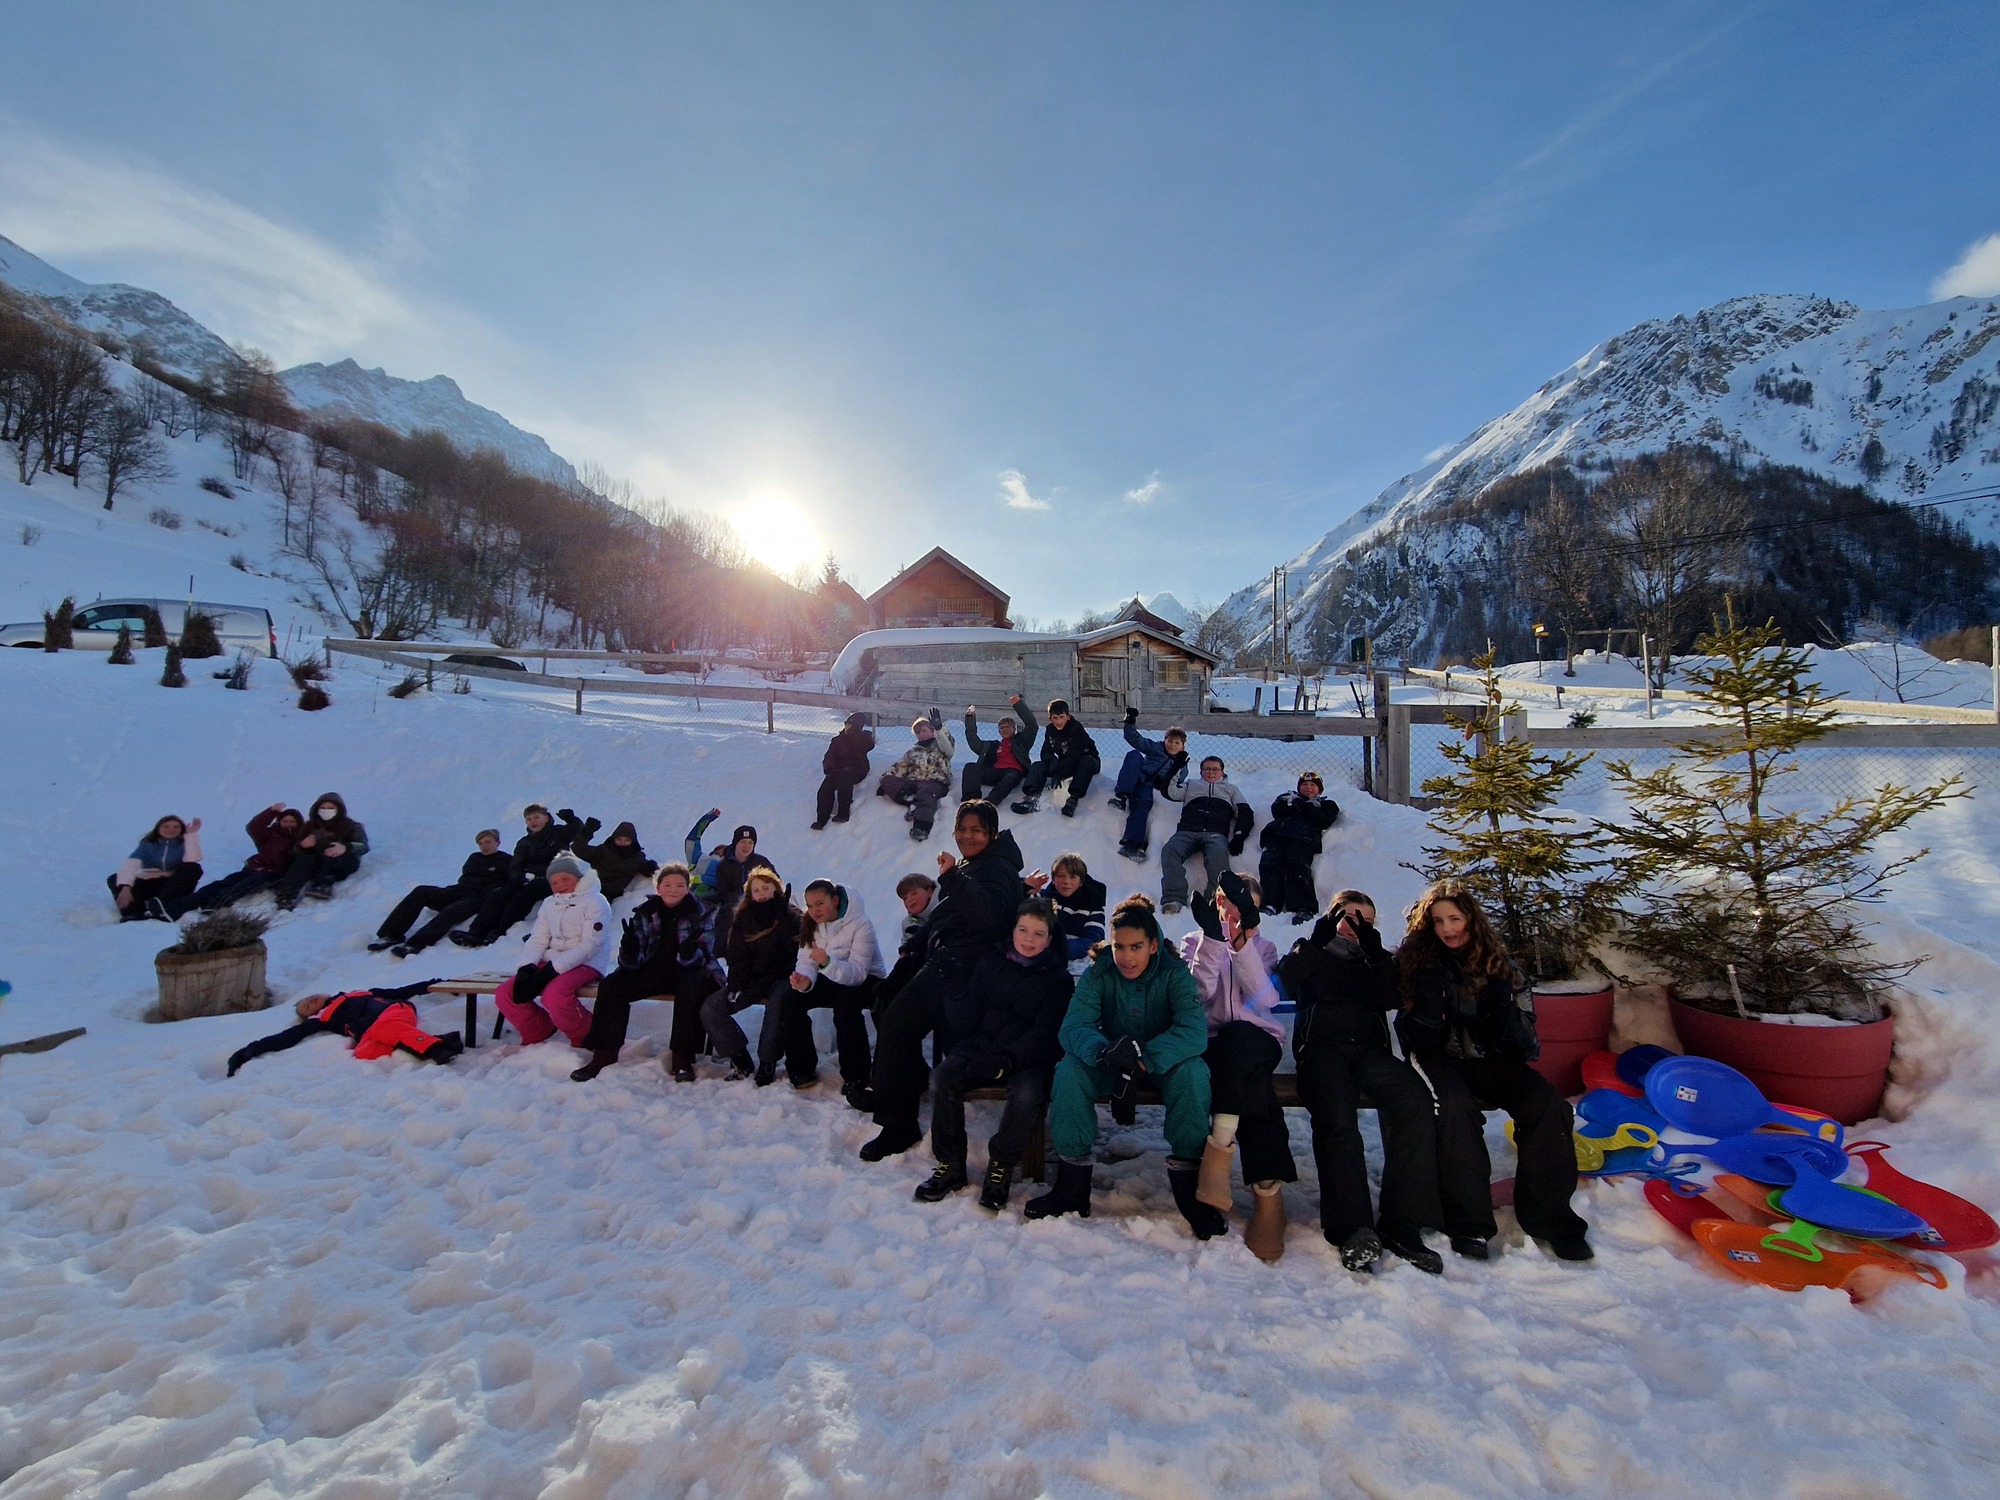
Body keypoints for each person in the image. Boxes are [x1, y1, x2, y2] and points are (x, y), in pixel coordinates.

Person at [1397, 880, 1592, 1263]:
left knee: (1547, 1105)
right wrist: (1428, 1011)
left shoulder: (1500, 966)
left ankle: (1553, 1221)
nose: (1447, 928)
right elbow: (1410, 1037)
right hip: (1439, 1058)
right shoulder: (1418, 963)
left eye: (1455, 918)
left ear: (1471, 919)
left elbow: (1527, 1045)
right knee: (1455, 1108)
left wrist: (1500, 1015)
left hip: (1491, 1058)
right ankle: (1468, 1223)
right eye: (1438, 921)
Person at [1026, 897, 1219, 1239]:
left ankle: (1191, 1191)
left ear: (1153, 945)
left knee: (1193, 1074)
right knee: (1069, 1072)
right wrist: (1104, 1053)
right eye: (1119, 947)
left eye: (1136, 947)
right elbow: (1073, 1026)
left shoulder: (1174, 973)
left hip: (1160, 1063)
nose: (1127, 957)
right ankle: (1071, 1187)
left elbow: (1192, 1032)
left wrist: (1143, 1061)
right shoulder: (1099, 972)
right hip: (1111, 1058)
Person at [1280, 888, 1446, 1275]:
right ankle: (1352, 1227)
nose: (1357, 928)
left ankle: (1403, 1220)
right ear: (1332, 917)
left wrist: (1376, 956)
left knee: (1414, 1101)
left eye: (1366, 922)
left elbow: (1391, 998)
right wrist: (1316, 943)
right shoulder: (1310, 949)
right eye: (1350, 918)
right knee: (1337, 1119)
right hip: (1321, 1051)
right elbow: (1285, 982)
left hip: (1369, 1052)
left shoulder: (1374, 959)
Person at [861, 800, 1026, 1161]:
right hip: (947, 961)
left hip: (964, 971)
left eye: (976, 830)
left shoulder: (997, 868)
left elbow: (989, 919)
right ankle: (896, 1093)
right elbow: (946, 916)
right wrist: (915, 945)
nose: (967, 836)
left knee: (897, 1025)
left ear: (991, 833)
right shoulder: (976, 864)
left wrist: (952, 878)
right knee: (889, 1010)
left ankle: (898, 1124)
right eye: (961, 829)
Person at [915, 898, 1073, 1211]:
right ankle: (950, 1164)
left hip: (1026, 1057)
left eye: (1038, 933)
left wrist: (1008, 1060)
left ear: (1049, 939)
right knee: (943, 1078)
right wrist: (955, 992)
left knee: (1027, 1093)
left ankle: (1001, 1166)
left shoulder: (1057, 979)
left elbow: (1046, 1033)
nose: (1029, 939)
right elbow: (966, 1021)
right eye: (1023, 930)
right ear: (1013, 930)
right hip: (981, 1045)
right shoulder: (991, 962)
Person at [1183, 873, 1296, 1262]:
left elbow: (1264, 999)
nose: (1234, 912)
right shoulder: (1193, 942)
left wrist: (1240, 944)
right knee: (1255, 1087)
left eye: (1245, 906)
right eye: (1228, 903)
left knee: (1242, 1039)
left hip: (1260, 1041)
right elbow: (1196, 996)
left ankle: (1218, 1152)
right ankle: (1268, 1197)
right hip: (1213, 1044)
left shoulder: (1264, 947)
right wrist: (1214, 942)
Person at [573, 862, 723, 1083]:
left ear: (687, 888)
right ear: (658, 887)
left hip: (693, 969)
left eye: (680, 885)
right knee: (612, 986)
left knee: (693, 988)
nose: (673, 890)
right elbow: (633, 961)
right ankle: (604, 1053)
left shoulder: (702, 912)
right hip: (654, 969)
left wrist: (689, 953)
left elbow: (706, 951)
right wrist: (630, 951)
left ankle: (682, 1057)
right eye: (667, 885)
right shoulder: (646, 912)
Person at [493, 852, 616, 1050]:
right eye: (554, 882)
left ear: (579, 878)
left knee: (554, 995)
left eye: (565, 878)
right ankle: (538, 1029)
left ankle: (588, 1034)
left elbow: (591, 945)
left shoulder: (595, 901)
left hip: (586, 962)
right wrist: (526, 967)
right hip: (552, 960)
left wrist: (552, 970)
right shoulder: (550, 903)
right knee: (506, 993)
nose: (560, 885)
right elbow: (538, 938)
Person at [781, 878, 886, 1093]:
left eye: (820, 903)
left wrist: (827, 963)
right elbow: (806, 960)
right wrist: (805, 980)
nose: (814, 910)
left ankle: (857, 1075)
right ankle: (802, 1069)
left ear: (835, 900)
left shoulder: (860, 924)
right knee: (791, 999)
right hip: (831, 973)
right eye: (810, 905)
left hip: (867, 978)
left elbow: (858, 973)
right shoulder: (811, 924)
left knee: (846, 1005)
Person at [226, 979, 462, 1074]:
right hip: (374, 1032)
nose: (310, 1001)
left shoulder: (360, 993)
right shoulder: (322, 1020)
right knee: (365, 1052)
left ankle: (436, 1049)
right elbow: (287, 1037)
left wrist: (436, 984)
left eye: (310, 998)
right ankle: (443, 1041)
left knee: (383, 1029)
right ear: (311, 1016)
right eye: (306, 1006)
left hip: (395, 1012)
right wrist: (249, 1051)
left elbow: (402, 991)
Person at [702, 867, 801, 1082]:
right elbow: (737, 956)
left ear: (776, 888)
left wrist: (783, 916)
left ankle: (767, 1061)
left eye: (766, 888)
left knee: (777, 1004)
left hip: (783, 977)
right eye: (756, 890)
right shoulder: (743, 917)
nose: (761, 893)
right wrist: (735, 985)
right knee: (712, 1007)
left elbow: (796, 950)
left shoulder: (792, 914)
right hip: (753, 979)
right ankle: (739, 1058)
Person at [368, 829, 513, 956]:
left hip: (476, 898)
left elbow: (507, 883)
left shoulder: (506, 860)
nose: (483, 846)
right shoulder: (474, 858)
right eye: (480, 843)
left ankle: (414, 945)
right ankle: (391, 935)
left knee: (450, 911)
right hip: (458, 890)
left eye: (487, 842)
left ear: (497, 842)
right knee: (421, 891)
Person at [453, 804, 571, 945]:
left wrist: (571, 819)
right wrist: (518, 876)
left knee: (522, 897)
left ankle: (498, 931)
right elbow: (516, 866)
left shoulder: (558, 833)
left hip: (554, 877)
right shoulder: (524, 843)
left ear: (546, 818)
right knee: (498, 894)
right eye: (529, 819)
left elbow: (577, 831)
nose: (533, 821)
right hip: (529, 878)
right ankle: (476, 932)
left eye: (536, 817)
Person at [1158, 756, 1253, 915]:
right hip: (1187, 831)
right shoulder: (1191, 785)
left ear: (1222, 772)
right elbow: (1169, 792)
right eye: (1206, 769)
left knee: (1218, 858)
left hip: (1215, 834)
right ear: (1201, 771)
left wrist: (1239, 835)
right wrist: (1175, 768)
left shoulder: (1231, 789)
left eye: (1215, 769)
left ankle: (1214, 899)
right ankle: (1174, 899)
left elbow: (1245, 812)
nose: (1210, 772)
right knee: (1170, 850)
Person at [182, 805, 303, 916]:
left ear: (298, 823)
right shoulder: (271, 834)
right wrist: (271, 812)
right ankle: (193, 900)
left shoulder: (300, 838)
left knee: (244, 885)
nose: (288, 824)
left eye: (292, 821)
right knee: (228, 881)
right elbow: (253, 827)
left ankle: (216, 903)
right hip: (255, 867)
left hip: (274, 873)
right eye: (285, 821)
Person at [684, 810, 774, 953]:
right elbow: (691, 841)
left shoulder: (736, 864)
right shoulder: (703, 861)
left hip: (718, 904)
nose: (721, 852)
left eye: (724, 851)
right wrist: (708, 818)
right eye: (718, 850)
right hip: (699, 899)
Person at [1108, 710, 1190, 861]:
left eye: (1177, 743)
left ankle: (1131, 844)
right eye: (1170, 741)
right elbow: (1134, 739)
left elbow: (1178, 782)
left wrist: (1175, 768)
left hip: (1153, 786)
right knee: (1134, 754)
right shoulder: (1155, 748)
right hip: (1138, 777)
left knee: (1142, 804)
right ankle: (1121, 797)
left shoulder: (1182, 764)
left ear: (1182, 747)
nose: (1172, 745)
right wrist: (1130, 722)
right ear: (1165, 741)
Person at [1258, 773, 1341, 922]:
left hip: (1304, 838)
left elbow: (1324, 819)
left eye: (1312, 785)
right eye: (1304, 785)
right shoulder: (1286, 797)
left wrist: (1302, 806)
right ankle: (1270, 904)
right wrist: (1301, 806)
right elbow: (1277, 810)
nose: (1308, 788)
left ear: (1319, 789)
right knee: (1269, 865)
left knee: (1297, 867)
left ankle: (1304, 907)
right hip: (1276, 834)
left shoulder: (1327, 804)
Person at [271, 794, 369, 910]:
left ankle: (323, 885)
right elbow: (294, 851)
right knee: (304, 859)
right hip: (317, 861)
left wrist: (346, 847)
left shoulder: (351, 826)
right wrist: (303, 846)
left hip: (342, 862)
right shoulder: (309, 827)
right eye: (323, 808)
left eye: (331, 808)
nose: (326, 811)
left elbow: (363, 846)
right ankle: (286, 894)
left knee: (330, 851)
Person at [875, 708, 956, 841]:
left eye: (924, 731)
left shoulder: (942, 746)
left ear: (932, 730)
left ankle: (922, 828)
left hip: (935, 782)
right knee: (887, 780)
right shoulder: (913, 751)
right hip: (914, 782)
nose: (921, 734)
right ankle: (910, 801)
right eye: (918, 732)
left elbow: (948, 747)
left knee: (926, 792)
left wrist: (939, 728)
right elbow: (899, 766)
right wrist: (885, 781)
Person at [1012, 699, 1100, 816]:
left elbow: (1074, 755)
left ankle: (1072, 800)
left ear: (1068, 716)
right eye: (1055, 718)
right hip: (1064, 762)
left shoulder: (1076, 729)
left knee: (1086, 762)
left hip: (1085, 761)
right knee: (1038, 765)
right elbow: (1045, 753)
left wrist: (1058, 772)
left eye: (1061, 717)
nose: (1058, 721)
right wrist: (1053, 761)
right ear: (1050, 718)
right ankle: (1032, 799)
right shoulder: (1050, 730)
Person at [110, 815, 204, 922]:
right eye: (166, 826)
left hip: (173, 886)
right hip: (150, 882)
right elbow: (131, 864)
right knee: (115, 879)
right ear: (158, 828)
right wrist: (126, 887)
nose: (171, 830)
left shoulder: (185, 843)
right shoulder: (148, 844)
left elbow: (192, 859)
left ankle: (161, 906)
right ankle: (133, 912)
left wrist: (190, 834)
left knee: (193, 868)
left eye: (176, 827)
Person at [1025, 853, 1106, 975]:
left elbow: (1092, 941)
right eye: (1061, 876)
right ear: (1053, 879)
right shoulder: (1041, 898)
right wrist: (1025, 888)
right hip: (1038, 963)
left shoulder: (1092, 907)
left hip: (1076, 968)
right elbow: (1017, 916)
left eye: (1073, 877)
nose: (1066, 881)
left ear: (1081, 881)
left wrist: (1055, 948)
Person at [960, 697, 1037, 808]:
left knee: (1010, 777)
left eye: (1007, 727)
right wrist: (970, 718)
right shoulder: (993, 746)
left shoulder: (1021, 741)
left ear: (1014, 729)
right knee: (971, 767)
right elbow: (973, 740)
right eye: (1002, 728)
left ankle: (989, 804)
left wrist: (1018, 705)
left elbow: (1032, 725)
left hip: (1013, 772)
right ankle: (971, 801)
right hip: (995, 772)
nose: (1004, 729)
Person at [563, 811, 656, 899]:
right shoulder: (603, 851)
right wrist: (587, 831)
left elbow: (650, 870)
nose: (622, 843)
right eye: (619, 839)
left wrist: (651, 867)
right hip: (590, 888)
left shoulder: (636, 858)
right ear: (613, 839)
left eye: (627, 840)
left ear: (632, 842)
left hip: (607, 896)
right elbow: (578, 848)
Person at [814, 712, 876, 829]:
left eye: (850, 725)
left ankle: (843, 813)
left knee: (845, 775)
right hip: (838, 769)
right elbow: (829, 756)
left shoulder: (864, 738)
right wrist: (829, 768)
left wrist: (855, 735)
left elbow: (869, 746)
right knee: (826, 786)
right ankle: (821, 820)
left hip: (858, 769)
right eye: (846, 724)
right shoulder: (837, 740)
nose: (847, 727)